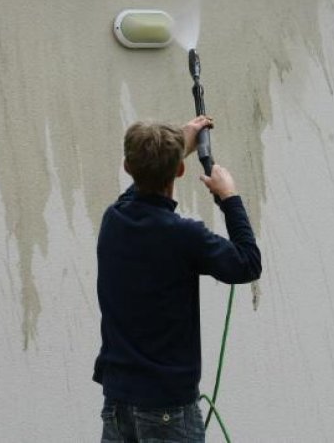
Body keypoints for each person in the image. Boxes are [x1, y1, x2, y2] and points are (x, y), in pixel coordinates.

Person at [93, 116, 262, 443]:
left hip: (118, 401)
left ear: (127, 167)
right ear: (181, 171)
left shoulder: (114, 220)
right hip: (167, 408)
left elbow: (138, 192)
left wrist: (176, 147)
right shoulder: (184, 236)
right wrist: (230, 198)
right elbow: (248, 263)